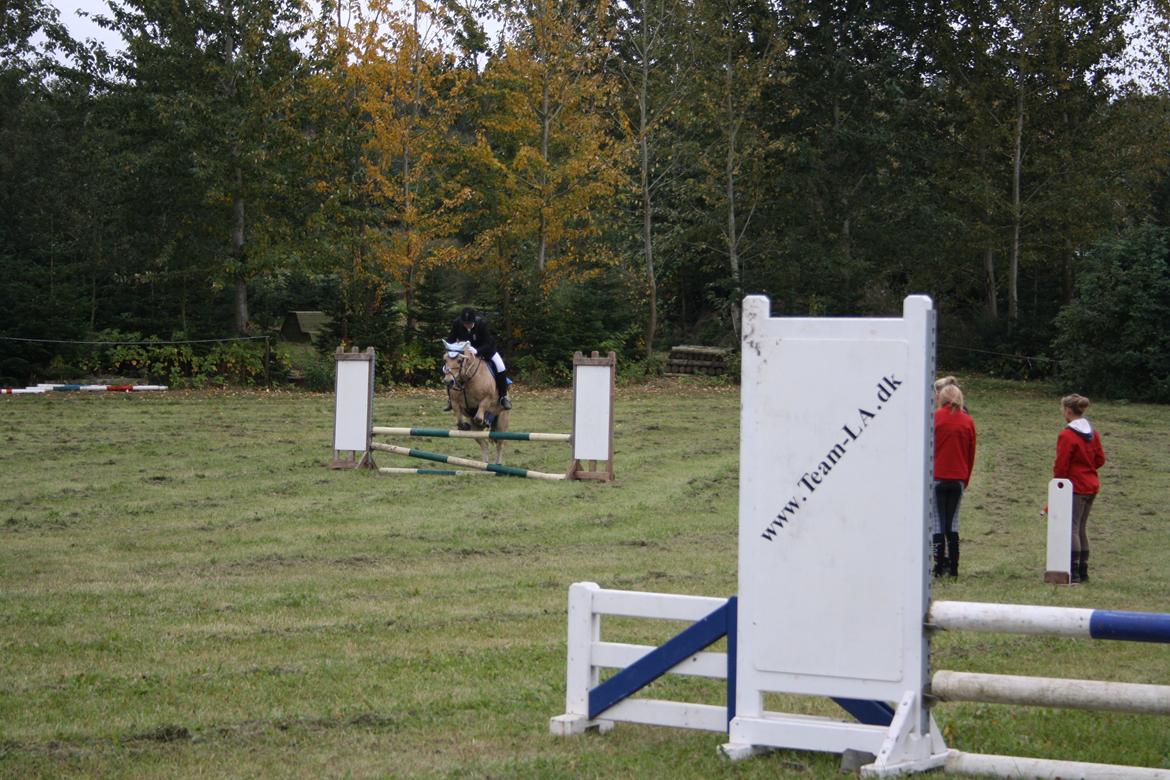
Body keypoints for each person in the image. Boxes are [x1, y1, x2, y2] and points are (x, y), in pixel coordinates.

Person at [1053, 394, 1106, 583]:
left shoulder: (1067, 435)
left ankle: (1073, 571)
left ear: (1068, 410)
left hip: (1076, 486)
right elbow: (1100, 459)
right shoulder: (1093, 432)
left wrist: (1058, 485)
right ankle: (1083, 570)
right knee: (1081, 527)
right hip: (1092, 484)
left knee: (1072, 528)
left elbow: (1061, 464)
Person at [933, 383, 976, 578]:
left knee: (937, 522)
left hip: (937, 476)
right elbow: (971, 453)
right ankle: (954, 568)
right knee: (953, 522)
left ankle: (938, 566)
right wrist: (965, 478)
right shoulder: (967, 421)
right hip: (958, 476)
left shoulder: (934, 418)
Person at [446, 307, 511, 411]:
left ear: (474, 320)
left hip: (486, 350)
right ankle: (450, 399)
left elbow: (488, 343)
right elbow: (450, 339)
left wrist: (477, 351)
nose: (467, 325)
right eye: (465, 323)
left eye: (469, 323)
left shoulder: (482, 324)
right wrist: (453, 349)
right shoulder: (457, 323)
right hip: (465, 353)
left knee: (500, 366)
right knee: (449, 368)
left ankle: (503, 397)